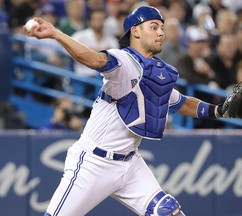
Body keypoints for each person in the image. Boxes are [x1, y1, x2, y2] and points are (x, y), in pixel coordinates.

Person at [24, 6, 229, 216]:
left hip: (130, 164)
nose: (161, 32)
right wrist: (57, 34)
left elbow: (182, 103)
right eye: (154, 26)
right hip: (94, 163)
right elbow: (95, 60)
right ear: (136, 31)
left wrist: (222, 110)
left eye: (162, 27)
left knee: (168, 211)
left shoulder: (157, 75)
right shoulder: (124, 61)